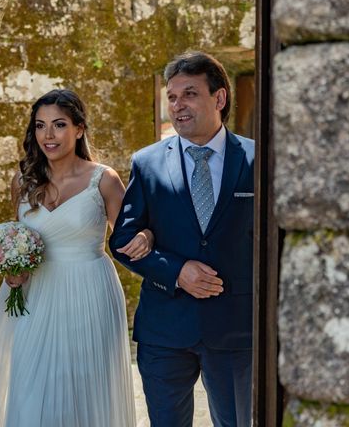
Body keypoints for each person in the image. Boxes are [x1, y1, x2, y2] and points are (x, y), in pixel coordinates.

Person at [0, 89, 153, 427]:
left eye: (58, 125)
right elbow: (21, 239)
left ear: (79, 129)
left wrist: (146, 235)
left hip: (89, 292)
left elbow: (133, 232)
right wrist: (12, 270)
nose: (48, 135)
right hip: (34, 295)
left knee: (84, 387)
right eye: (40, 126)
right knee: (30, 385)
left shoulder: (104, 180)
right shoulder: (22, 181)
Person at [110, 51, 254, 427]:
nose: (177, 106)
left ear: (219, 98)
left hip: (236, 327)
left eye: (189, 94)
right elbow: (123, 238)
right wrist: (176, 271)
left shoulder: (260, 159)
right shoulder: (147, 161)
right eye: (171, 97)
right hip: (165, 328)